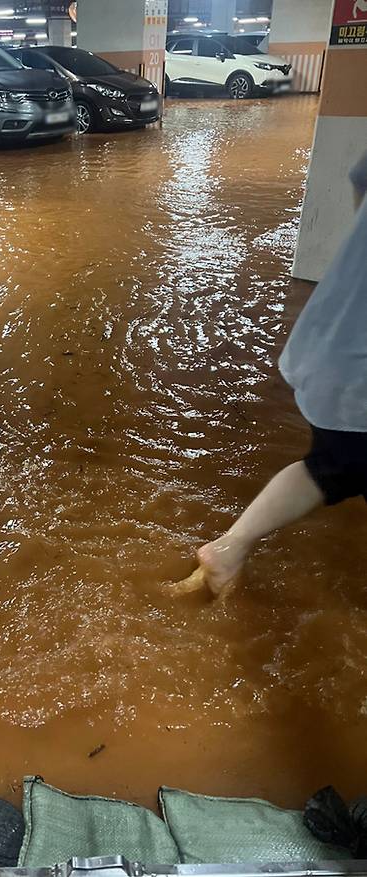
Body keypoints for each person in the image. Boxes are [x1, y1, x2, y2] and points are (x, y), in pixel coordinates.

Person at [182, 149, 367, 597]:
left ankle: (229, 548)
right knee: (337, 466)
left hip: (331, 342)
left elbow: (359, 182)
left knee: (332, 466)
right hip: (359, 366)